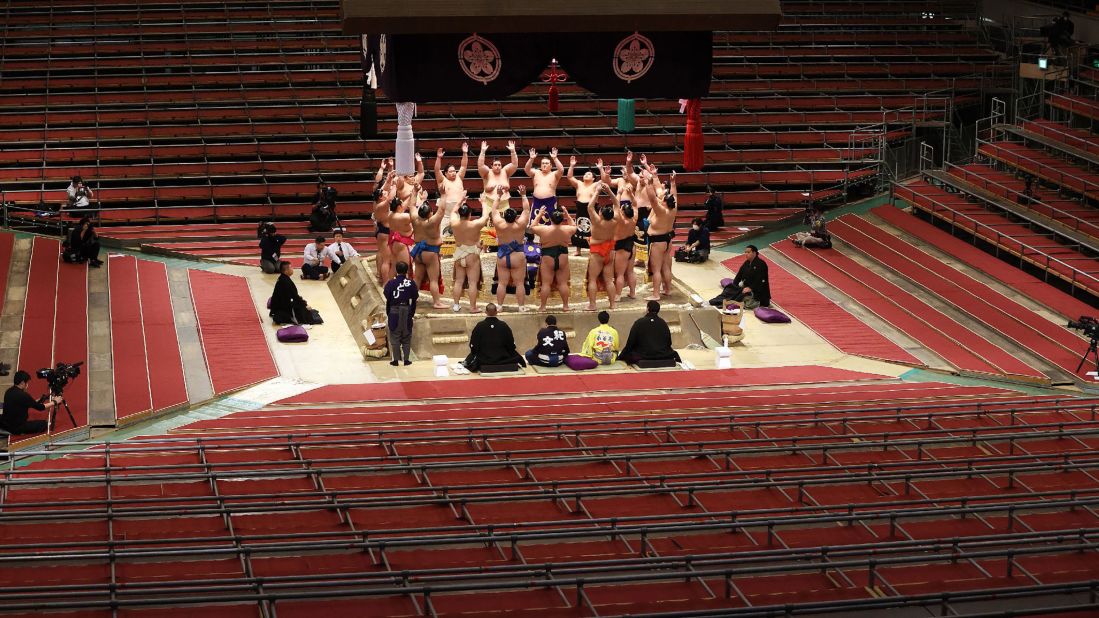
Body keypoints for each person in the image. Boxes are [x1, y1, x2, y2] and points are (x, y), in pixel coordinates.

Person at [491, 185, 532, 310]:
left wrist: (498, 196)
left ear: (504, 216)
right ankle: (521, 306)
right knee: (519, 283)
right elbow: (526, 210)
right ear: (516, 217)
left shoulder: (499, 223)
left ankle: (499, 306)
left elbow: (493, 210)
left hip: (502, 256)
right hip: (517, 256)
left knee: (502, 283)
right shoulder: (520, 224)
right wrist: (523, 195)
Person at [530, 206, 577, 311]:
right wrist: (567, 213)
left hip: (548, 256)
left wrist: (540, 214)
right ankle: (565, 306)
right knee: (563, 283)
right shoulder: (568, 229)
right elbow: (574, 225)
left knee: (546, 283)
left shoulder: (543, 229)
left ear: (550, 219)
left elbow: (532, 227)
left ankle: (543, 306)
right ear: (562, 219)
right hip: (562, 256)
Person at [451, 190, 490, 313]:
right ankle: (473, 307)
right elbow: (485, 216)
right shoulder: (475, 224)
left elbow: (453, 211)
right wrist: (483, 202)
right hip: (472, 255)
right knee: (472, 283)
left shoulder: (454, 223)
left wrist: (461, 200)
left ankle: (456, 305)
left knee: (458, 281)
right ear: (469, 214)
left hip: (459, 254)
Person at [409, 192, 451, 309]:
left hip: (418, 252)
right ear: (430, 214)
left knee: (417, 277)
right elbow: (442, 209)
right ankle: (437, 302)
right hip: (431, 253)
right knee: (433, 279)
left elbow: (411, 206)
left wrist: (414, 191)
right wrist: (443, 194)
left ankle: (412, 300)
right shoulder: (432, 222)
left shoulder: (414, 219)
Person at [644, 169, 678, 301]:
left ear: (664, 202)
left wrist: (649, 183)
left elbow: (652, 198)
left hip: (657, 242)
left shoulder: (661, 211)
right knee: (665, 267)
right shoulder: (673, 209)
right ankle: (668, 290)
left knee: (657, 269)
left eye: (663, 199)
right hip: (667, 239)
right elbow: (674, 194)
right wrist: (673, 182)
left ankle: (656, 294)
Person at [461, 303, 526, 371]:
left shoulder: (480, 326)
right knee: (515, 355)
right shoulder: (503, 325)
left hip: (484, 359)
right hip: (503, 358)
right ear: (496, 312)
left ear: (486, 312)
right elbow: (511, 345)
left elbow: (473, 344)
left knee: (471, 357)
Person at [586, 183, 619, 311]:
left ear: (601, 213)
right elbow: (617, 204)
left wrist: (597, 191)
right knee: (609, 280)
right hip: (610, 252)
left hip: (597, 252)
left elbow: (589, 207)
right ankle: (612, 304)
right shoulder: (615, 220)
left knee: (592, 279)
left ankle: (593, 304)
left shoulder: (597, 222)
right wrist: (610, 191)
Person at [620, 300, 681, 365]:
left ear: (648, 308)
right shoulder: (663, 323)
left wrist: (621, 356)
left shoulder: (639, 323)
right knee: (672, 353)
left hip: (643, 355)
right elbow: (669, 342)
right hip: (662, 355)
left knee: (630, 355)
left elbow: (630, 342)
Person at [1, 370, 61, 435]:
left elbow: (28, 403)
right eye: (27, 383)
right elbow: (40, 408)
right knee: (43, 425)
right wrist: (54, 402)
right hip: (17, 427)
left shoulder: (9, 391)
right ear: (22, 383)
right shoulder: (23, 395)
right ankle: (20, 432)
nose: (27, 385)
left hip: (5, 423)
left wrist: (40, 399)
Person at [384, 261, 419, 366]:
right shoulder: (411, 283)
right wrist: (411, 312)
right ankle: (406, 360)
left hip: (394, 310)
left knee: (395, 335)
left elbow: (387, 295)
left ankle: (396, 360)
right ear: (407, 270)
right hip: (407, 309)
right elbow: (415, 297)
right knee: (406, 335)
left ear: (396, 270)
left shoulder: (391, 283)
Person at [565, 156, 602, 255]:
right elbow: (569, 177)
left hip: (591, 209)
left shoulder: (596, 185)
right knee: (579, 229)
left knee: (592, 229)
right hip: (580, 208)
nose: (586, 175)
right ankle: (578, 250)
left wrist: (600, 168)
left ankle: (592, 249)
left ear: (593, 178)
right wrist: (572, 166)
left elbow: (605, 180)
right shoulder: (579, 184)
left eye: (589, 174)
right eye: (585, 174)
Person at [524, 147, 565, 228]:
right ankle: (533, 239)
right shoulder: (536, 173)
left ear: (551, 165)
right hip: (536, 202)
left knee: (552, 223)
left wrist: (555, 158)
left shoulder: (554, 174)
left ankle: (550, 240)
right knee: (533, 223)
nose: (544, 165)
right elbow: (526, 169)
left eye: (546, 163)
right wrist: (531, 159)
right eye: (543, 163)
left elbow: (561, 170)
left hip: (550, 202)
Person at [434, 144, 469, 235]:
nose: (453, 173)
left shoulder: (459, 177)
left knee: (459, 235)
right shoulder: (442, 180)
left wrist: (465, 153)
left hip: (458, 212)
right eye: (451, 171)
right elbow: (437, 170)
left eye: (454, 171)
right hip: (446, 213)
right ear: (445, 173)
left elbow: (464, 166)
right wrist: (438, 158)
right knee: (444, 235)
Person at [477, 140, 519, 210]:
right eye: (495, 165)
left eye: (499, 165)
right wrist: (483, 152)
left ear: (501, 166)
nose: (497, 166)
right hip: (489, 204)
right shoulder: (487, 172)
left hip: (504, 204)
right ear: (491, 166)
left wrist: (513, 151)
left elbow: (514, 164)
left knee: (506, 221)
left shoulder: (505, 171)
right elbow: (480, 165)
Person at [613, 196, 639, 300]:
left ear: (623, 212)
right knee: (630, 271)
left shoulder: (621, 221)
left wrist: (616, 194)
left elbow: (615, 205)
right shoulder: (634, 219)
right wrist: (631, 196)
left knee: (619, 274)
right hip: (631, 246)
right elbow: (636, 204)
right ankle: (632, 293)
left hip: (621, 248)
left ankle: (617, 295)